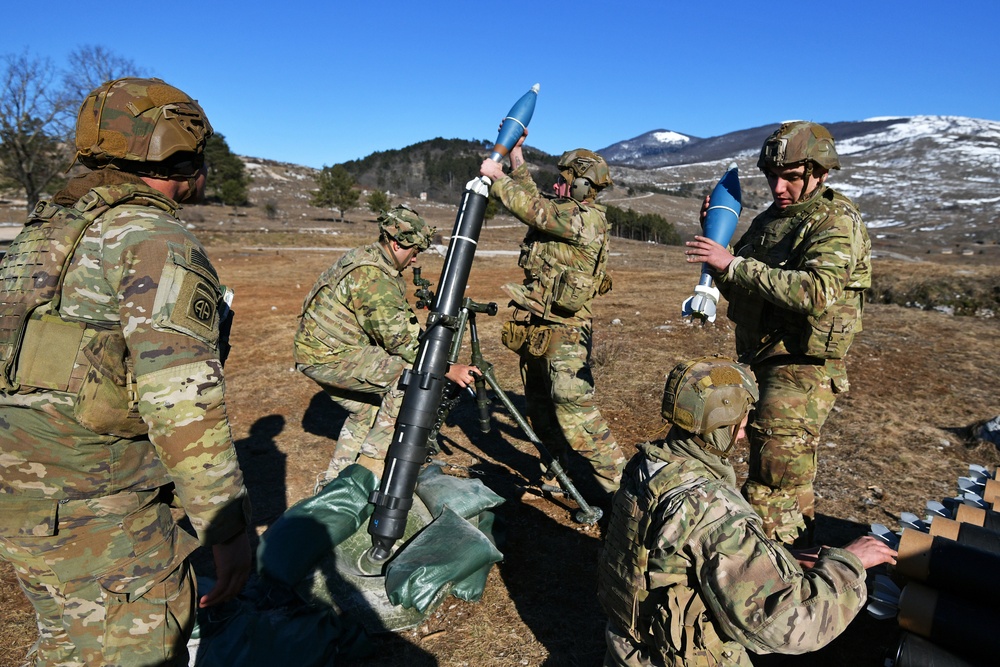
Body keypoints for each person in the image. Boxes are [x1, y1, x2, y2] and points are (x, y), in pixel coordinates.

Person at [0, 78, 251, 666]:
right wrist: (229, 531)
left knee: (65, 646)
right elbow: (181, 401)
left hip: (28, 503)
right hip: (102, 511)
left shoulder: (43, 234)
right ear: (179, 153)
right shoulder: (153, 239)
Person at [598, 356, 897, 666]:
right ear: (719, 427)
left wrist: (781, 559)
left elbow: (673, 562)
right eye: (739, 424)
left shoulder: (645, 469)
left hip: (626, 651)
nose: (743, 434)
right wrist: (849, 565)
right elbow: (793, 628)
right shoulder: (712, 507)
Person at [684, 121, 872, 547]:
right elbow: (742, 285)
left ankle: (784, 582)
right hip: (761, 357)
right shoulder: (772, 220)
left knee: (776, 481)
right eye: (772, 176)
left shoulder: (836, 220)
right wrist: (720, 258)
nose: (778, 187)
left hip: (802, 367)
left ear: (820, 173)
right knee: (757, 468)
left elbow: (816, 291)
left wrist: (732, 264)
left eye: (790, 177)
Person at [480, 133, 625, 503]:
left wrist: (496, 178)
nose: (556, 184)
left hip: (567, 335)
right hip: (540, 329)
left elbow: (531, 209)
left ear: (582, 185)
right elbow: (535, 198)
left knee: (578, 421)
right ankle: (556, 478)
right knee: (542, 413)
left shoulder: (584, 219)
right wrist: (516, 157)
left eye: (564, 179)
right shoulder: (562, 210)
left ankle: (627, 495)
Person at [294, 204, 479, 484]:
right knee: (408, 378)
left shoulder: (369, 258)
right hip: (330, 355)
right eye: (414, 251)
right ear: (395, 243)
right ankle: (373, 466)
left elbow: (397, 324)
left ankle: (335, 485)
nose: (415, 259)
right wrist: (448, 367)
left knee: (366, 411)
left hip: (322, 352)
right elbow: (400, 342)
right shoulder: (373, 277)